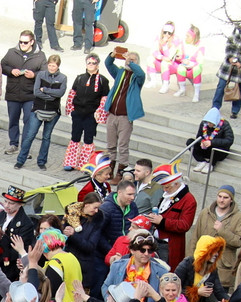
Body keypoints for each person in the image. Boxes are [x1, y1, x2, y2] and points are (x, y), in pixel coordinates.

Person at [188, 184, 241, 288]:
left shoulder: (239, 217)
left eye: (225, 197)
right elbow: (195, 237)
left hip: (222, 268)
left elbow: (239, 242)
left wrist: (222, 230)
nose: (221, 200)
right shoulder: (205, 213)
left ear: (231, 200)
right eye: (219, 196)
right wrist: (190, 259)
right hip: (202, 265)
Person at [16, 54, 65, 171]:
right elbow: (37, 92)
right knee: (30, 135)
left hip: (52, 111)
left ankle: (42, 161)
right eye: (50, 65)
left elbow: (60, 93)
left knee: (46, 137)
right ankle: (20, 160)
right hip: (38, 109)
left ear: (58, 66)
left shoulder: (63, 78)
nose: (51, 68)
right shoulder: (41, 75)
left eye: (54, 66)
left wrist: (46, 90)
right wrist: (52, 95)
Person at [61, 54, 109, 172]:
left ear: (97, 65)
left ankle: (85, 163)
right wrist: (71, 110)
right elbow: (72, 93)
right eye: (89, 63)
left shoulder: (103, 80)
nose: (91, 65)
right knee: (75, 137)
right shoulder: (80, 78)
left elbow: (104, 98)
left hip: (91, 115)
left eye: (93, 63)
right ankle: (70, 162)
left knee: (88, 138)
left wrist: (99, 112)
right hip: (78, 113)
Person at [0, 31, 45, 156]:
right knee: (13, 120)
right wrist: (11, 71)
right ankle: (13, 144)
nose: (22, 44)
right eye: (20, 42)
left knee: (28, 121)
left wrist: (34, 75)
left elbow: (44, 73)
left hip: (30, 95)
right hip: (13, 93)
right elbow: (2, 65)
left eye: (25, 42)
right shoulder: (11, 52)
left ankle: (25, 148)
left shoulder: (40, 56)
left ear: (32, 42)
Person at [103, 51, 145, 183]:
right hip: (112, 114)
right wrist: (113, 55)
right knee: (111, 145)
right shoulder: (120, 72)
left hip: (125, 117)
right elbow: (108, 64)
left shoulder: (137, 78)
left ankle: (121, 173)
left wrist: (131, 63)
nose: (129, 61)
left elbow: (141, 73)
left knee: (122, 146)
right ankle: (109, 171)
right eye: (128, 59)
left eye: (133, 60)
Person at [148, 164, 196, 270]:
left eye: (167, 187)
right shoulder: (169, 195)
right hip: (156, 241)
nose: (165, 190)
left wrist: (162, 221)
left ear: (177, 184)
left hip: (169, 246)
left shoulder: (189, 200)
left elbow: (184, 225)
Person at [188, 107, 235, 174]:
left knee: (217, 147)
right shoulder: (204, 123)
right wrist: (202, 141)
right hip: (205, 148)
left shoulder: (225, 125)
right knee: (190, 142)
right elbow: (199, 136)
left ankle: (211, 164)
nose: (208, 124)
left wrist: (212, 142)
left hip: (217, 151)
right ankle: (201, 161)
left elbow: (229, 140)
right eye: (207, 122)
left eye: (210, 123)